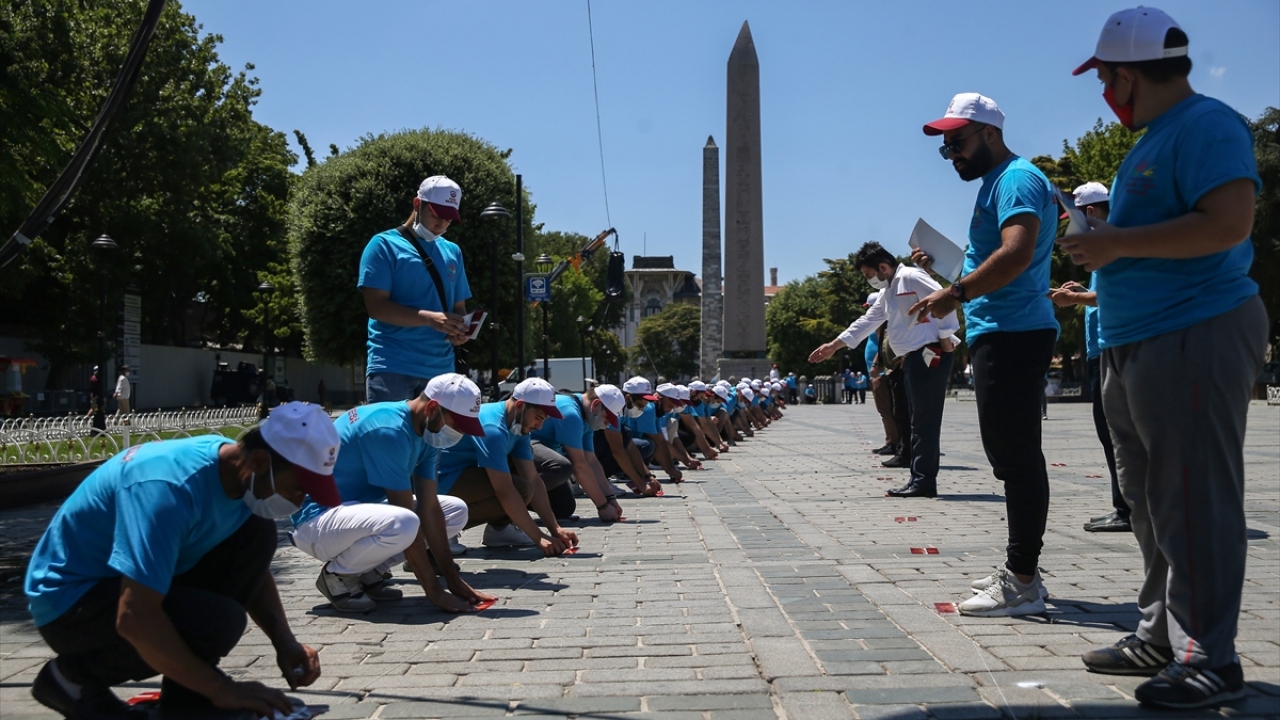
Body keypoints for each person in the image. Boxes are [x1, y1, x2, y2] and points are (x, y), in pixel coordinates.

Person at [1063, 9, 1267, 708]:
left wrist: (1113, 246)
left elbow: (1229, 224)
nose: (1105, 95)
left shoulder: (1208, 125)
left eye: (1105, 80)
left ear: (1123, 74)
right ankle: (1161, 632)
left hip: (1194, 331)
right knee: (1152, 500)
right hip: (1138, 339)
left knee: (1195, 498)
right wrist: (1101, 241)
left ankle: (1211, 656)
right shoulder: (1153, 139)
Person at [24, 402, 341, 719]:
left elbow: (249, 571)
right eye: (298, 489)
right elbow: (135, 616)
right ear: (260, 462)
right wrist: (222, 689)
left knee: (257, 535)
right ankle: (72, 679)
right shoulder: (167, 488)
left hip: (122, 586)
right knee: (216, 621)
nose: (299, 502)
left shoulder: (240, 479)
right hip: (70, 605)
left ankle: (188, 697)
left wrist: (284, 642)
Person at [910, 92, 1060, 615]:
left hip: (1015, 330)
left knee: (1015, 457)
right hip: (1005, 328)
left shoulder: (1016, 179)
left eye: (957, 142)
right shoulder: (1001, 181)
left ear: (989, 134)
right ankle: (1021, 569)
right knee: (1009, 454)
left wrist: (956, 292)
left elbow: (1016, 252)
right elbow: (996, 256)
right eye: (946, 147)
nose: (951, 153)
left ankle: (1022, 580)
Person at [289, 373, 493, 614]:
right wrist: (434, 591)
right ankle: (338, 576)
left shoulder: (427, 432)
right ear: (433, 408)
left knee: (454, 510)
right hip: (315, 521)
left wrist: (452, 578)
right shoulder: (389, 429)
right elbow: (406, 513)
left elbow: (430, 507)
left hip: (352, 514)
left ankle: (367, 571)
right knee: (405, 522)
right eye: (457, 425)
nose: (459, 434)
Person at [811, 241, 960, 498]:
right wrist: (835, 345)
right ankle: (919, 478)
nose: (870, 280)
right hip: (914, 357)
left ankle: (923, 481)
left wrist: (946, 342)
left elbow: (945, 301)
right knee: (917, 420)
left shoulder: (911, 277)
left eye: (870, 275)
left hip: (930, 354)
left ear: (883, 266)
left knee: (924, 421)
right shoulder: (888, 290)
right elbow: (868, 321)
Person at [1047, 182, 1131, 533]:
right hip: (1102, 350)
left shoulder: (1112, 243)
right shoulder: (1108, 246)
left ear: (1091, 214)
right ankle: (1123, 505)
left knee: (1116, 432)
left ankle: (1128, 509)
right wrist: (1083, 292)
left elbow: (1116, 293)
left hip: (1111, 349)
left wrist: (1076, 300)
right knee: (1108, 432)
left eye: (1074, 221)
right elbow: (1103, 291)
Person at [360, 175, 472, 402]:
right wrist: (430, 319)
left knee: (436, 439)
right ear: (417, 204)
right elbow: (376, 308)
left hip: (441, 370)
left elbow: (458, 307)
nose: (441, 224)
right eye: (436, 215)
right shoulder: (383, 245)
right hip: (393, 365)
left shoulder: (453, 251)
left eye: (449, 219)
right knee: (393, 437)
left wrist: (461, 330)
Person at [436, 378, 578, 555]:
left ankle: (499, 531)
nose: (540, 426)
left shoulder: (519, 425)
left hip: (464, 474)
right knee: (518, 489)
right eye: (539, 417)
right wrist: (538, 537)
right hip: (440, 482)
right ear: (520, 406)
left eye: (545, 420)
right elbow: (504, 490)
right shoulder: (493, 428)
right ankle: (441, 526)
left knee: (525, 487)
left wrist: (555, 529)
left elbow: (532, 478)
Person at [529, 383, 629, 522]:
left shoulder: (586, 417)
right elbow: (579, 466)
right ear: (596, 405)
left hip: (536, 457)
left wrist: (610, 499)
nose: (607, 424)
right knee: (561, 467)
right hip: (523, 449)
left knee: (564, 507)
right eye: (607, 417)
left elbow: (592, 462)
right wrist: (603, 506)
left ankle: (520, 499)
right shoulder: (571, 414)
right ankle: (509, 501)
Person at [864, 293, 899, 455]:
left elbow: (882, 345)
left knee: (885, 409)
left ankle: (892, 442)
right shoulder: (878, 322)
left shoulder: (881, 322)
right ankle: (893, 440)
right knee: (887, 409)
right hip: (879, 371)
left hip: (881, 371)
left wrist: (876, 364)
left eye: (868, 308)